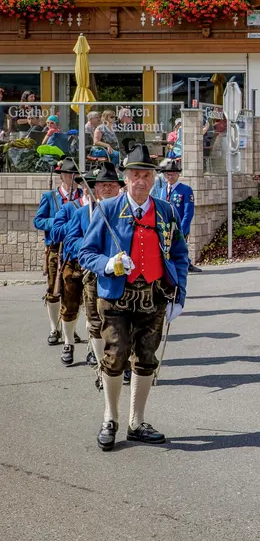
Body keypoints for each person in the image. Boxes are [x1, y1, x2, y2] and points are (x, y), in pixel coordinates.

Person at [78, 143, 189, 452]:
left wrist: (179, 295)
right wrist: (108, 264)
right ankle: (110, 418)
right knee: (115, 356)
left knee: (146, 358)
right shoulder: (108, 209)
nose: (141, 181)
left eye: (146, 175)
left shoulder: (166, 211)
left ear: (153, 179)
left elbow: (180, 255)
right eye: (135, 175)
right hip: (116, 297)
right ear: (125, 179)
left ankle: (137, 422)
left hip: (153, 297)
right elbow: (86, 253)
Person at [63, 162, 124, 376]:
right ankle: (101, 367)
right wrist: (92, 247)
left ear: (119, 188)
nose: (107, 189)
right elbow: (70, 241)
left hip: (122, 276)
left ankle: (123, 362)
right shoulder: (83, 213)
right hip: (92, 275)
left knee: (123, 321)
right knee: (95, 321)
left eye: (112, 185)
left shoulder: (127, 212)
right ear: (95, 188)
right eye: (102, 185)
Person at [34, 158, 83, 346]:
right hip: (55, 249)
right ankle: (54, 328)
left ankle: (70, 328)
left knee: (73, 293)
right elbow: (38, 221)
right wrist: (58, 221)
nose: (71, 177)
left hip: (74, 250)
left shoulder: (82, 197)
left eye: (74, 174)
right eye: (67, 174)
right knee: (53, 290)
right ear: (61, 175)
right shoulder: (50, 197)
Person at [49, 159, 89, 366]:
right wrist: (76, 221)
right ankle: (68, 342)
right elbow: (55, 232)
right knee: (69, 305)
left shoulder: (103, 209)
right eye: (88, 186)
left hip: (95, 266)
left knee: (95, 309)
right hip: (72, 262)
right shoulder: (69, 208)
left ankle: (93, 347)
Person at [152, 158, 199, 272]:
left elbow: (188, 212)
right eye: (168, 174)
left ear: (178, 175)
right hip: (166, 226)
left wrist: (182, 228)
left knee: (181, 246)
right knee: (166, 247)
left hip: (179, 225)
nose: (170, 176)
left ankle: (185, 265)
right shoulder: (162, 190)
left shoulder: (185, 190)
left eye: (173, 174)